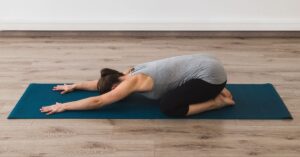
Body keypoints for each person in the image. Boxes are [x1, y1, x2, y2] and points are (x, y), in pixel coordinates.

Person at [40, 54, 235, 117]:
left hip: (211, 76)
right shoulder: (127, 72)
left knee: (169, 107)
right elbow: (101, 87)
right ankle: (215, 88)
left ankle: (218, 101)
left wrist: (63, 106)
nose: (115, 93)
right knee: (174, 93)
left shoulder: (134, 81)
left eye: (114, 90)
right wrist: (75, 85)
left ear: (116, 86)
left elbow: (99, 100)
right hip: (208, 64)